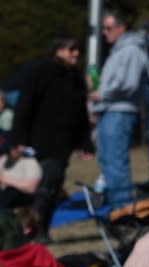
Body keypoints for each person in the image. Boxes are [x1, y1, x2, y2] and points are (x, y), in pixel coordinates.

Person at [10, 35, 94, 240]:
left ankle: (41, 229)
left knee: (53, 187)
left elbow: (81, 113)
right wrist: (18, 138)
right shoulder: (41, 72)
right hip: (41, 140)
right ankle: (34, 231)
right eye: (71, 49)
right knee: (45, 186)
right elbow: (25, 106)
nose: (76, 53)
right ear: (59, 51)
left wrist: (85, 143)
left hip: (63, 142)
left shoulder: (74, 77)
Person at [90, 10, 146, 207]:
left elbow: (128, 84)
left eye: (109, 28)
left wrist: (102, 94)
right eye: (103, 28)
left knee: (115, 162)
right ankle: (115, 206)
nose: (105, 32)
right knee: (106, 160)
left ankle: (122, 208)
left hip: (120, 111)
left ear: (121, 28)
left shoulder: (131, 50)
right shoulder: (117, 51)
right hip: (109, 110)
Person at [0, 145, 42, 210]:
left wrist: (5, 180)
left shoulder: (30, 162)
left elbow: (31, 188)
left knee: (10, 190)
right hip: (4, 194)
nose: (14, 151)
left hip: (19, 199)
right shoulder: (3, 159)